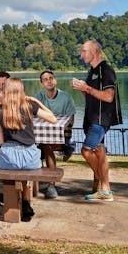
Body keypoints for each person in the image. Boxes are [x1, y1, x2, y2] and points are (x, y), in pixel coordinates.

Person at [0, 78, 57, 222]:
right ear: (21, 91)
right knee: (26, 169)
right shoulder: (29, 106)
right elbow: (53, 119)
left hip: (9, 158)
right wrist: (37, 101)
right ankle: (26, 202)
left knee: (11, 165)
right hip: (30, 158)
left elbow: (1, 142)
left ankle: (17, 201)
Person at [71, 40, 121, 202]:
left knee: (86, 151)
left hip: (101, 119)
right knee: (99, 152)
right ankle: (105, 190)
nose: (81, 55)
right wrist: (82, 89)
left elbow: (108, 97)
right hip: (91, 117)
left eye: (84, 51)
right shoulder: (92, 71)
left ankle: (105, 186)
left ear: (95, 51)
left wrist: (86, 88)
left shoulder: (106, 71)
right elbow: (92, 95)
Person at [36, 69, 77, 199]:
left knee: (46, 146)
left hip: (62, 135)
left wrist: (65, 134)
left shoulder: (66, 97)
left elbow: (71, 119)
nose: (49, 81)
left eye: (51, 78)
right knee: (32, 145)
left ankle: (51, 184)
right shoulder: (39, 97)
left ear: (55, 80)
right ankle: (35, 179)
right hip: (41, 134)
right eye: (45, 79)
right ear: (42, 83)